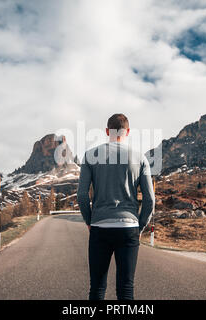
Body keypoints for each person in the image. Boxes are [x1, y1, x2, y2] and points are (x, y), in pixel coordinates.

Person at [77, 113, 155, 300]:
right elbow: (150, 199)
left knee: (96, 288)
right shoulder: (140, 158)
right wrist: (140, 225)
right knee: (126, 289)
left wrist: (89, 221)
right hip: (129, 229)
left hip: (99, 227)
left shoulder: (90, 156)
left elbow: (81, 195)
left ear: (106, 131)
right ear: (127, 131)